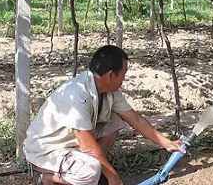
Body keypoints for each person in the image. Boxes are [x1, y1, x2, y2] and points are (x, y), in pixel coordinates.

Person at [24, 45, 182, 185]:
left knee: (116, 120)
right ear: (111, 75)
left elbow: (135, 119)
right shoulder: (77, 94)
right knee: (89, 171)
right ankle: (49, 178)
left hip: (70, 145)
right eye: (123, 74)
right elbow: (87, 145)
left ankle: (91, 170)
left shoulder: (111, 92)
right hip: (46, 151)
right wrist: (113, 177)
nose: (124, 79)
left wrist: (167, 143)